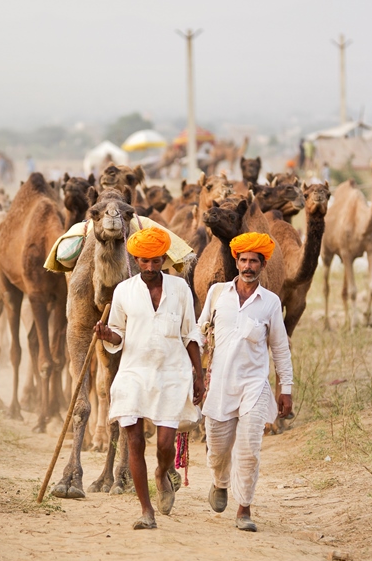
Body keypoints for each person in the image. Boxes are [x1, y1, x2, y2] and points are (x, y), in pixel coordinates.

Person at [94, 227, 204, 531]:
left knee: (165, 445)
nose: (150, 268)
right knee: (135, 441)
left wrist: (199, 374)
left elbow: (190, 334)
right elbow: (118, 334)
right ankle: (146, 510)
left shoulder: (180, 289)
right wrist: (107, 334)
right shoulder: (124, 291)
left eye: (156, 261)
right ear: (135, 259)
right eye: (144, 261)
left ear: (164, 259)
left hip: (172, 373)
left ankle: (162, 472)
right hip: (134, 372)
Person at [198, 232, 293, 532]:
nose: (248, 266)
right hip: (219, 386)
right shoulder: (217, 295)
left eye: (254, 261)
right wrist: (192, 374)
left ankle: (244, 509)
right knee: (216, 450)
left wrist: (285, 389)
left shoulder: (271, 303)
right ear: (236, 262)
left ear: (263, 265)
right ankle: (219, 482)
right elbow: (200, 335)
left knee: (250, 449)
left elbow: (280, 348)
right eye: (243, 260)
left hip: (254, 386)